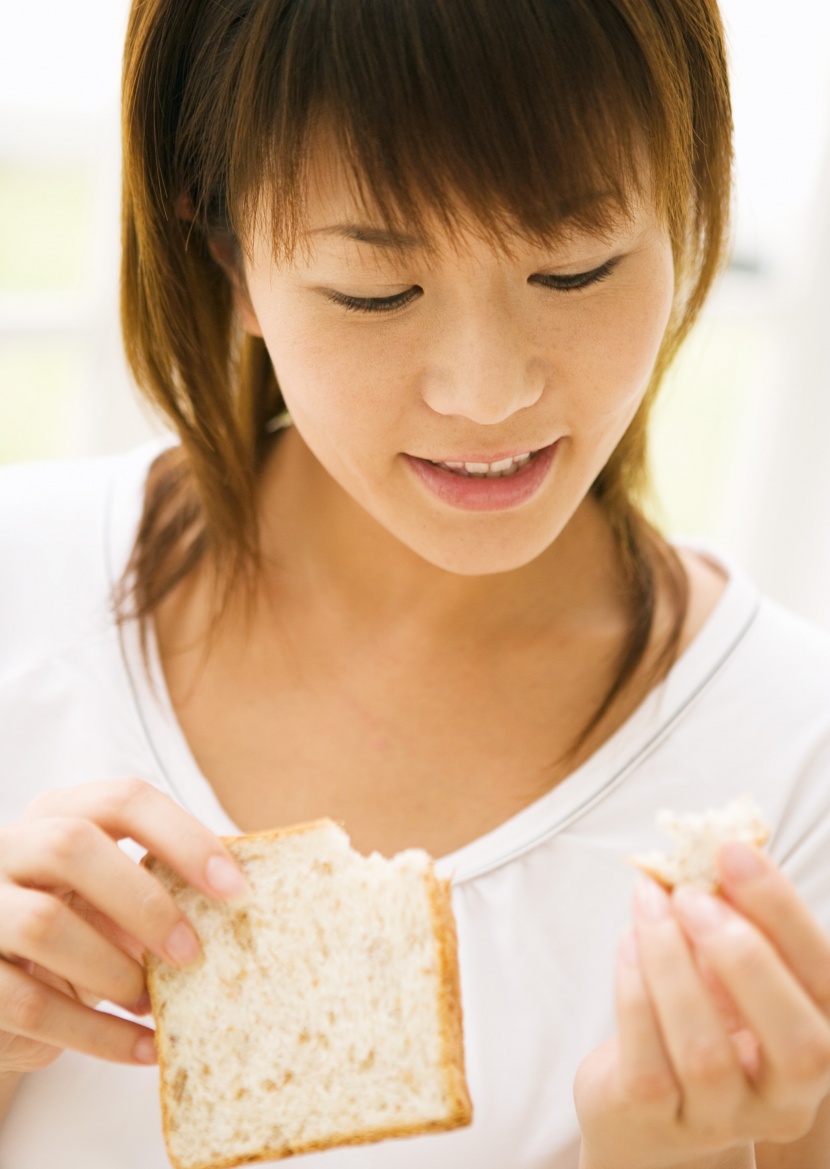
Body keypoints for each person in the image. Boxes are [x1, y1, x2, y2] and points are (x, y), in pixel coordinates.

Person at [0, 0, 829, 1165]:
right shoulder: (18, 587)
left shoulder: (796, 767)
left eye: (574, 268)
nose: (486, 393)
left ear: (693, 206)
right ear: (226, 252)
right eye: (374, 292)